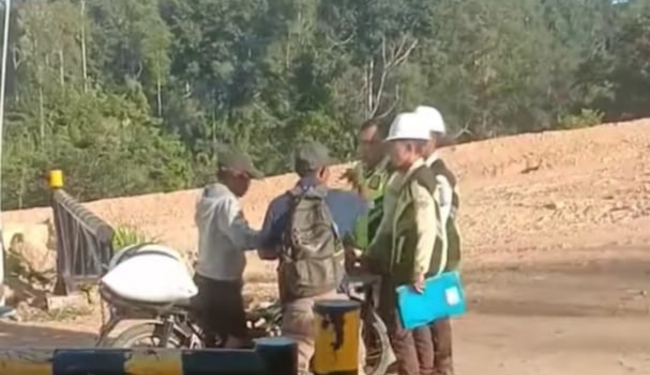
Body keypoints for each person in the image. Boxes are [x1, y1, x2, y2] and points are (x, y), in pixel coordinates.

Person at [257, 141, 369, 375]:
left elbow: (264, 251)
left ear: (297, 170)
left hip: (298, 306)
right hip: (338, 303)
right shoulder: (343, 201)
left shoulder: (279, 206)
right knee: (348, 368)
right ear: (323, 171)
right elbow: (366, 212)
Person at [364, 112, 442, 375]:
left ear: (410, 147)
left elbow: (427, 228)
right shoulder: (404, 179)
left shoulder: (419, 182)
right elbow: (389, 224)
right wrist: (372, 252)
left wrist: (419, 269)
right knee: (415, 329)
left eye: (393, 145)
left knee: (401, 332)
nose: (390, 151)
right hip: (404, 266)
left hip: (410, 270)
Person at [192, 148, 264, 348]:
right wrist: (267, 237)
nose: (248, 185)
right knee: (237, 340)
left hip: (205, 277)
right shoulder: (227, 203)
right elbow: (242, 238)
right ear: (236, 176)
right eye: (247, 178)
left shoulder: (205, 196)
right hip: (223, 284)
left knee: (215, 339)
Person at [412, 105, 462, 375]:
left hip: (437, 265)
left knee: (437, 334)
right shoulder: (425, 173)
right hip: (431, 262)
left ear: (435, 138)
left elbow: (438, 224)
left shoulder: (440, 177)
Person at [343, 118, 392, 252]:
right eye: (363, 143)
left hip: (381, 252)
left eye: (372, 143)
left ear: (385, 144)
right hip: (359, 249)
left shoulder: (391, 172)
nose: (366, 148)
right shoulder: (359, 171)